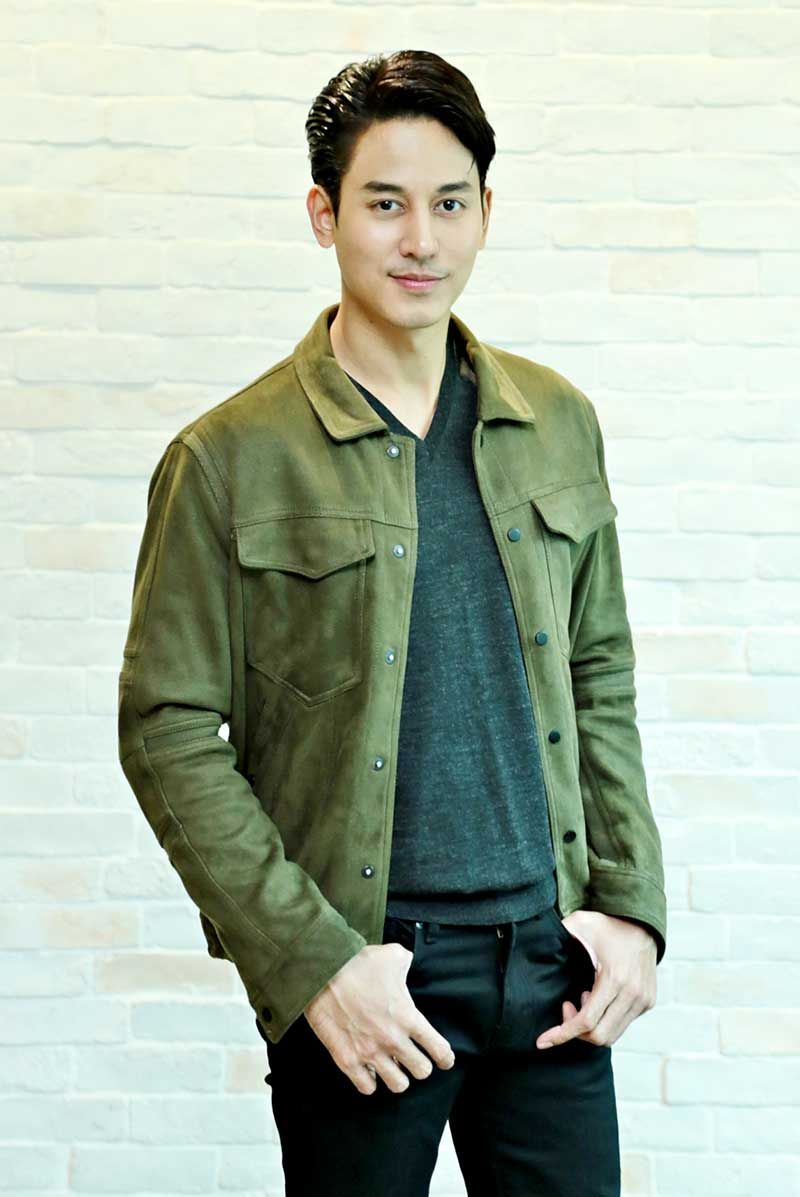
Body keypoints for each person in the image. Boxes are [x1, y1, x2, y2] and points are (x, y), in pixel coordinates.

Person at [118, 48, 667, 1197]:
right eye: (383, 204)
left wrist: (628, 909)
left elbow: (600, 672)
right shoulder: (228, 459)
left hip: (550, 966)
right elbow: (166, 728)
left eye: (449, 204)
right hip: (370, 978)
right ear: (323, 215)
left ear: (484, 214)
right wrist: (311, 963)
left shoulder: (557, 422)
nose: (420, 239)